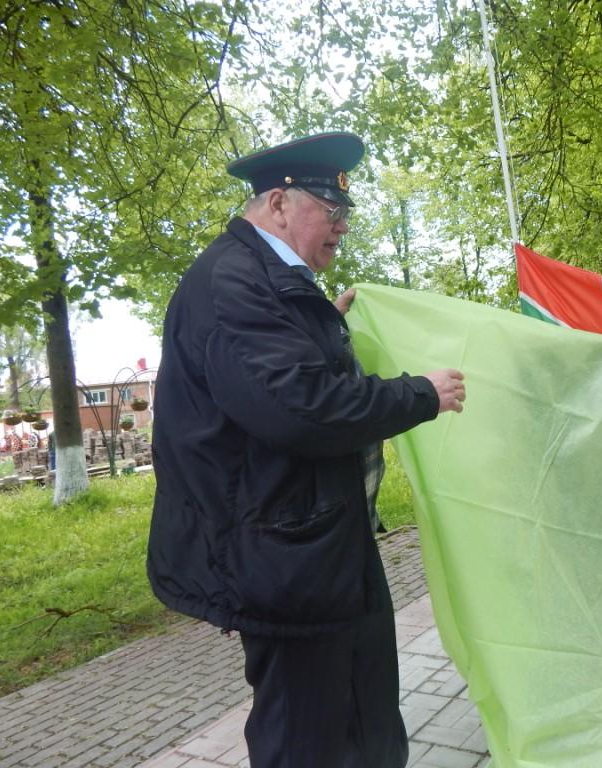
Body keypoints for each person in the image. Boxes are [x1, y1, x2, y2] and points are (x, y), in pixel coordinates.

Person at [146, 132, 466, 768]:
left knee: (361, 712)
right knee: (308, 736)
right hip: (282, 558)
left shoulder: (267, 279)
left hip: (316, 543)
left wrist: (330, 328)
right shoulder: (233, 283)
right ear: (278, 204)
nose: (342, 227)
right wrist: (420, 395)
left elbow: (281, 379)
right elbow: (300, 409)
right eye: (331, 210)